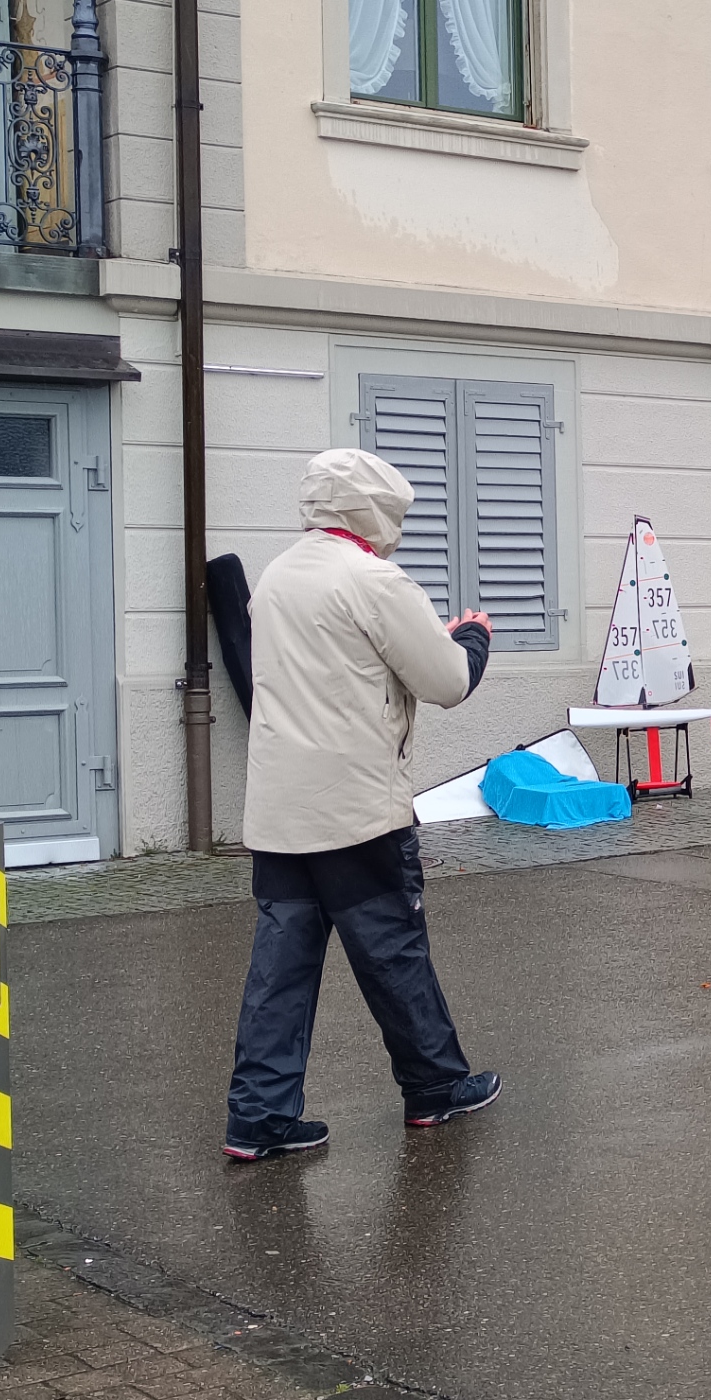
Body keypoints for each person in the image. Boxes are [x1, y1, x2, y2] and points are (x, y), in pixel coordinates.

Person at [224, 449, 502, 1160]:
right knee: (392, 952)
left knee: (280, 968)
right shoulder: (374, 579)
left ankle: (258, 1118)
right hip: (355, 810)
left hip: (280, 815)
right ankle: (434, 1085)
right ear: (375, 511)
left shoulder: (277, 576)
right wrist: (472, 635)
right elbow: (447, 681)